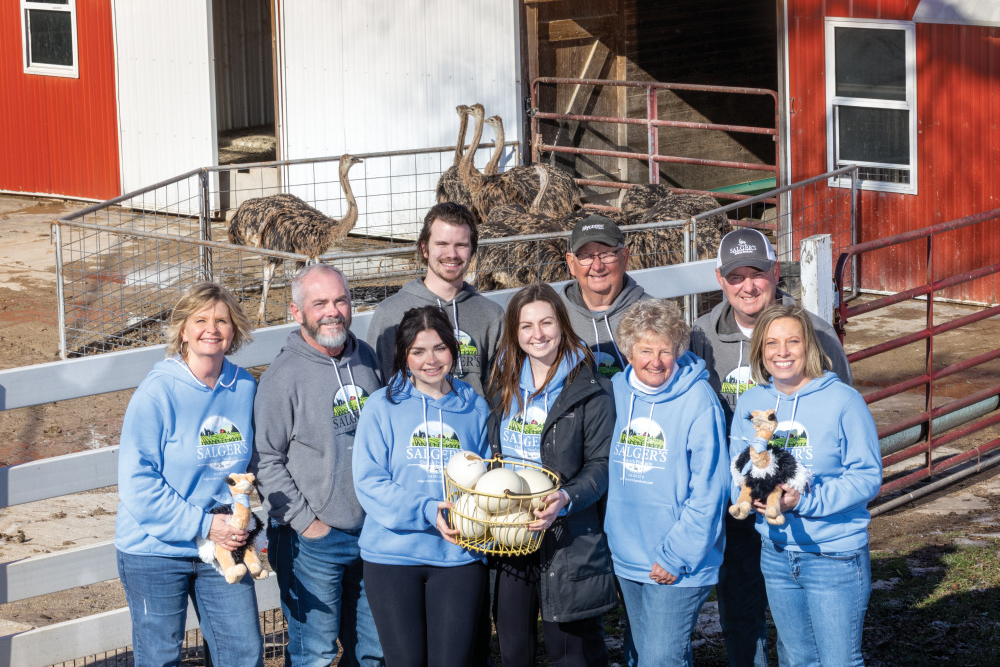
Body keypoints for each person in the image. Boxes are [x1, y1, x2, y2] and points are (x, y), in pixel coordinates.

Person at [689, 228, 853, 667]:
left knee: (804, 628)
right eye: (736, 276)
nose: (748, 285)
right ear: (720, 280)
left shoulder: (815, 335)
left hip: (799, 502)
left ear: (775, 271)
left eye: (757, 273)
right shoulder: (700, 340)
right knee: (741, 610)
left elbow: (843, 415)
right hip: (739, 502)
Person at [115, 281, 262, 667]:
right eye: (200, 320)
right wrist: (203, 524)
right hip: (156, 547)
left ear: (234, 331)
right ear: (183, 330)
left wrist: (245, 521)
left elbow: (254, 464)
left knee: (243, 653)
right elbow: (137, 482)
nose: (211, 328)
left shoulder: (244, 385)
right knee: (161, 658)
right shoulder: (156, 393)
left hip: (223, 544)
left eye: (221, 320)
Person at [729, 304, 881, 667]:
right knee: (797, 658)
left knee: (838, 661)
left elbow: (867, 476)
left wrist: (806, 501)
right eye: (771, 343)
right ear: (760, 352)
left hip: (834, 555)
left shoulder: (844, 401)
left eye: (792, 341)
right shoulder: (752, 403)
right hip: (776, 552)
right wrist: (750, 496)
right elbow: (736, 466)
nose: (782, 352)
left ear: (808, 346)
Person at [251, 264, 384, 667]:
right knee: (315, 654)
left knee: (374, 652)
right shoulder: (282, 377)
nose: (333, 311)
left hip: (373, 534)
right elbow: (265, 461)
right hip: (314, 540)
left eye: (341, 300)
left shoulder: (367, 358)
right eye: (320, 303)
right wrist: (309, 524)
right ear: (296, 312)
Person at [487, 283, 618, 667]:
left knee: (570, 653)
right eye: (526, 326)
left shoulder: (589, 388)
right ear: (514, 332)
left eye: (546, 322)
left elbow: (601, 465)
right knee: (515, 649)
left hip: (568, 536)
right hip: (510, 532)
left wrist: (565, 498)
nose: (537, 334)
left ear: (562, 324)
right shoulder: (502, 384)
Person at [352, 305, 491, 667]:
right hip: (393, 557)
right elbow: (369, 481)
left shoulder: (474, 406)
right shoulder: (382, 406)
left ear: (453, 349)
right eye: (418, 351)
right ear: (404, 356)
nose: (431, 360)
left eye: (440, 348)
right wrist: (427, 510)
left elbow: (488, 477)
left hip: (458, 556)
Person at [605, 299, 729, 667]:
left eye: (665, 351)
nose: (655, 362)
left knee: (660, 659)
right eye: (645, 350)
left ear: (678, 350)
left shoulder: (698, 399)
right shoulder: (616, 392)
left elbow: (711, 487)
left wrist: (676, 554)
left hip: (679, 559)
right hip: (629, 554)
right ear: (629, 351)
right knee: (645, 654)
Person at [366, 202, 504, 397]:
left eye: (461, 245)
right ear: (424, 249)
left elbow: (500, 391)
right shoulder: (390, 313)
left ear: (472, 250)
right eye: (442, 244)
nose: (452, 254)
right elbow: (380, 389)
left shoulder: (492, 315)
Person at [560, 214, 651, 379]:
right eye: (586, 256)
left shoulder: (653, 314)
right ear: (571, 264)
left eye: (607, 254)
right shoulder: (554, 317)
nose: (597, 266)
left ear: (624, 257)